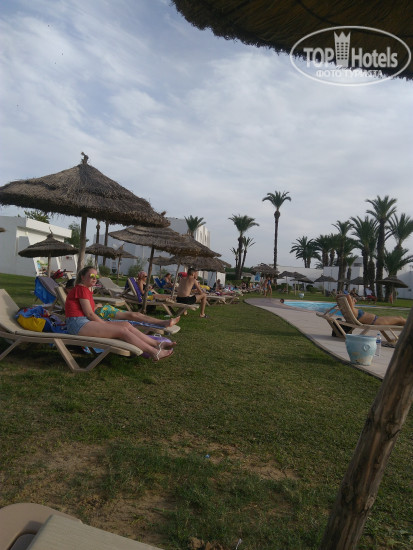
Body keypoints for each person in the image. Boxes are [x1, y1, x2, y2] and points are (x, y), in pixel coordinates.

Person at [65, 267, 174, 361]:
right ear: (82, 277)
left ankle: (157, 344)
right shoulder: (82, 289)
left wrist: (97, 308)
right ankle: (154, 352)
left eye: (96, 276)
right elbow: (89, 314)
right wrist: (105, 324)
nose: (95, 278)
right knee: (122, 331)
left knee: (126, 324)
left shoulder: (84, 289)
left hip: (82, 321)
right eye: (91, 276)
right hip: (77, 324)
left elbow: (87, 310)